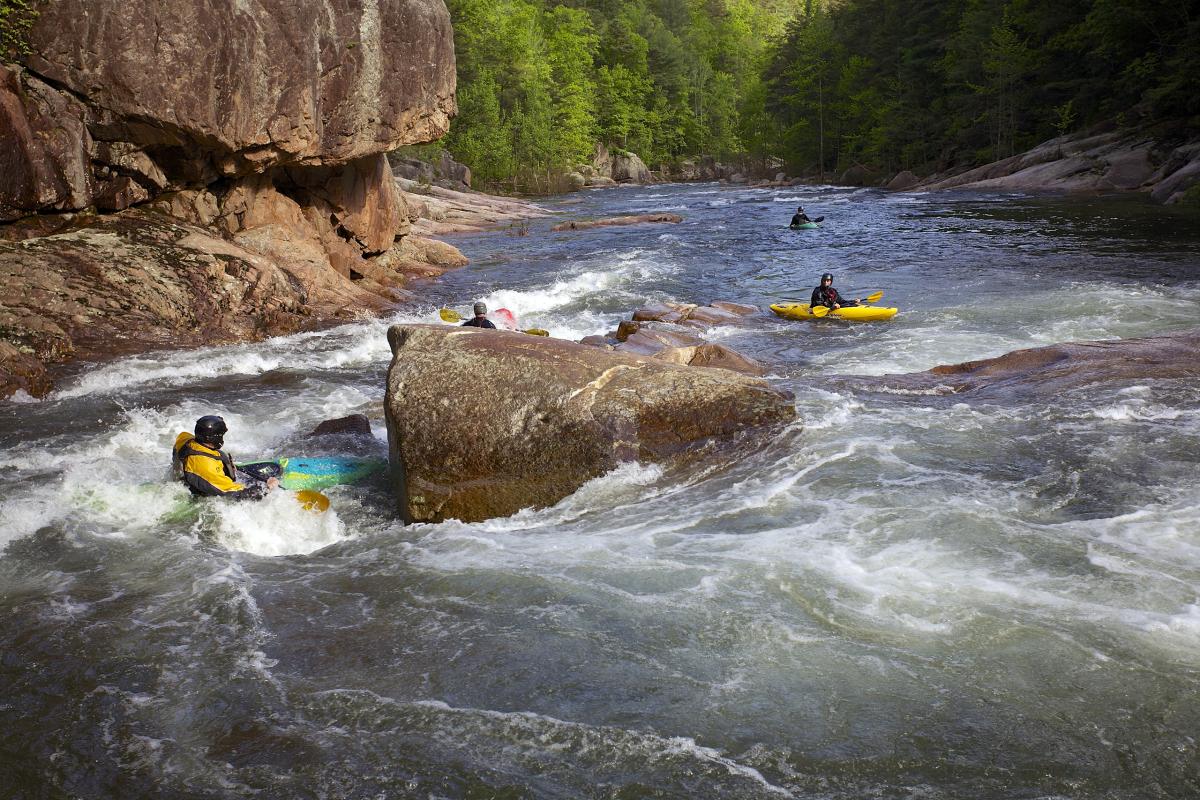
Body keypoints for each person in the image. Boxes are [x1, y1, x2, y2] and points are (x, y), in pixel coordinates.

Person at [172, 415, 279, 499]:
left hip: (203, 474)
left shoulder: (185, 438)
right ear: (213, 438)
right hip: (207, 489)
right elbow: (239, 494)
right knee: (257, 488)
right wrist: (267, 488)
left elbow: (177, 450)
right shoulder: (206, 467)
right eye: (221, 435)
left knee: (273, 468)